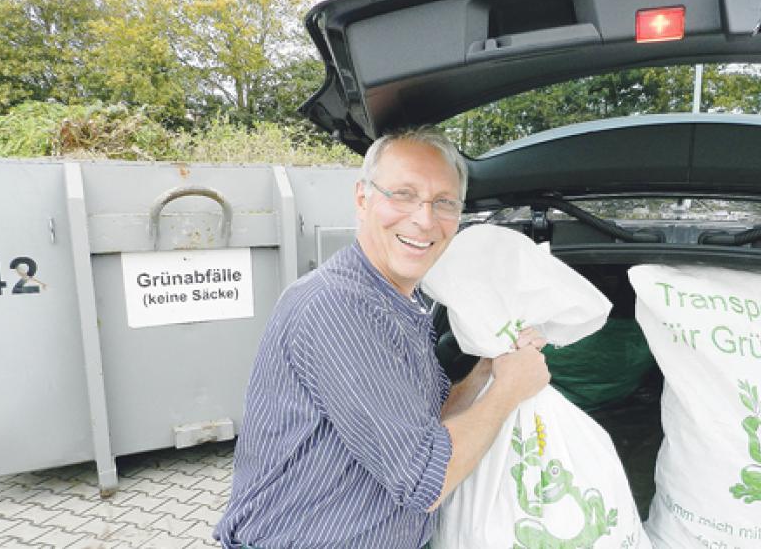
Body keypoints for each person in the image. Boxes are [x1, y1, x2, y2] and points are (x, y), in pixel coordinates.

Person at [214, 127, 550, 548]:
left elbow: (427, 423)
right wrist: (510, 389)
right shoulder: (336, 306)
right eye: (403, 194)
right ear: (362, 198)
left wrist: (488, 370)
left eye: (443, 202)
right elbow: (426, 481)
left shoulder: (397, 303)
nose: (425, 219)